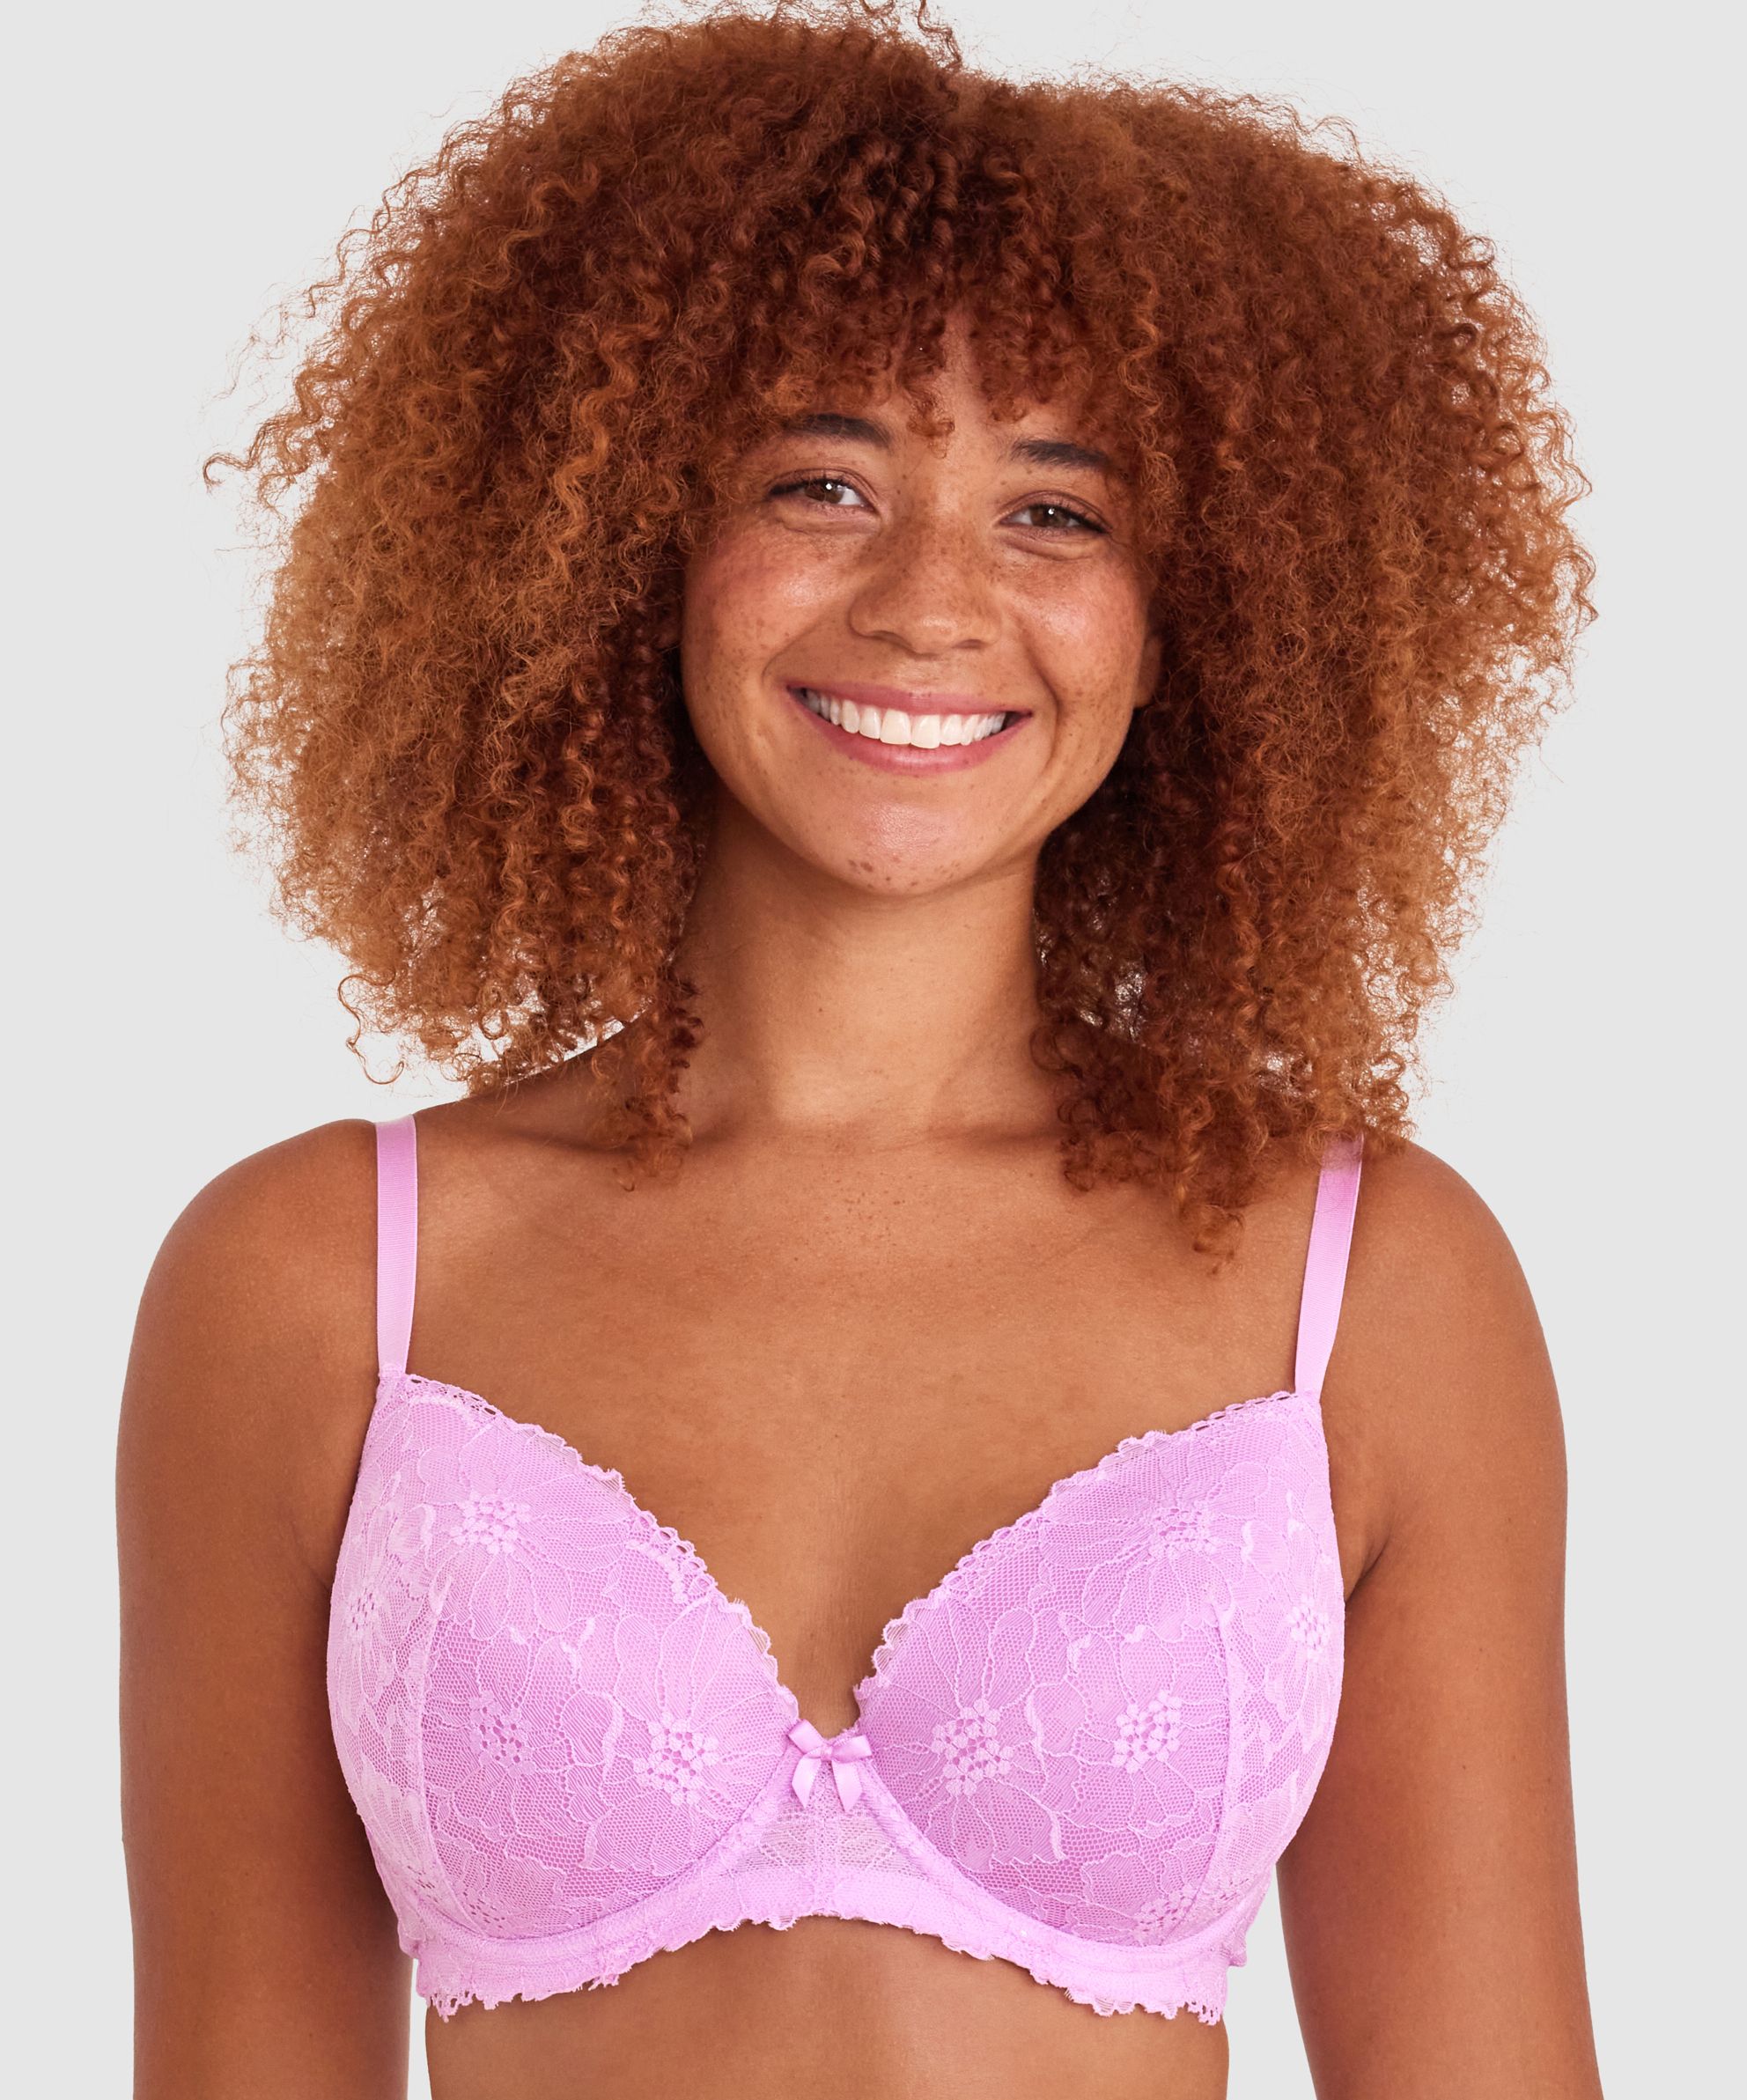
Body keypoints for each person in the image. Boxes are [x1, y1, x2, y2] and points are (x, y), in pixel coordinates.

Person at [117, 4, 1605, 2095]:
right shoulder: (315, 1282)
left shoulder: (1360, 1283)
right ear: (624, 538)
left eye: (1057, 512)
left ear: (1199, 616)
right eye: (822, 482)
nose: (928, 603)